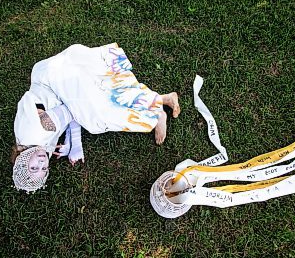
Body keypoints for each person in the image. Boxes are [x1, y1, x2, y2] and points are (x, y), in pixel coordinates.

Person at [11, 43, 181, 192]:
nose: (41, 162)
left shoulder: (36, 133)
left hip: (55, 78)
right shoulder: (27, 145)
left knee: (98, 117)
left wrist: (75, 144)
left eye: (33, 167)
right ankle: (164, 99)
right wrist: (64, 142)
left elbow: (71, 112)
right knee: (97, 104)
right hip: (51, 82)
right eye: (43, 168)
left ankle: (156, 113)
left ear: (21, 160)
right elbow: (64, 113)